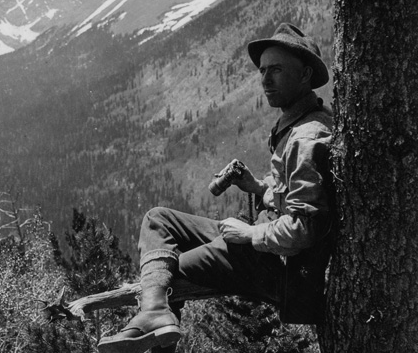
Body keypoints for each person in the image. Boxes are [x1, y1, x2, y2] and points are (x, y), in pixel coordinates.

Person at [98, 23, 335, 353]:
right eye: (263, 70)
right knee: (158, 219)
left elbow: (306, 227)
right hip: (267, 251)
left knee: (168, 273)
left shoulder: (306, 137)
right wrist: (257, 187)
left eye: (276, 70)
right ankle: (154, 314)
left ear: (306, 74)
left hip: (282, 269)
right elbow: (291, 194)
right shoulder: (297, 122)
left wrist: (250, 235)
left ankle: (154, 317)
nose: (265, 80)